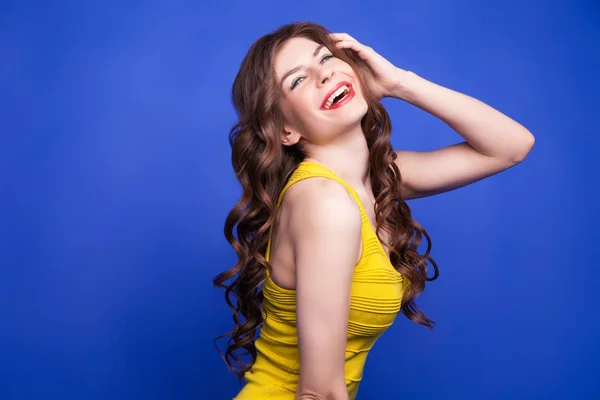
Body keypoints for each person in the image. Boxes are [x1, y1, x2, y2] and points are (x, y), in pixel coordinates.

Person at [213, 21, 535, 400]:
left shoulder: (378, 179)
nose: (324, 74)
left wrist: (400, 83)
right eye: (298, 80)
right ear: (285, 131)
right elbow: (320, 392)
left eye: (327, 58)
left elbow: (511, 145)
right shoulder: (323, 201)